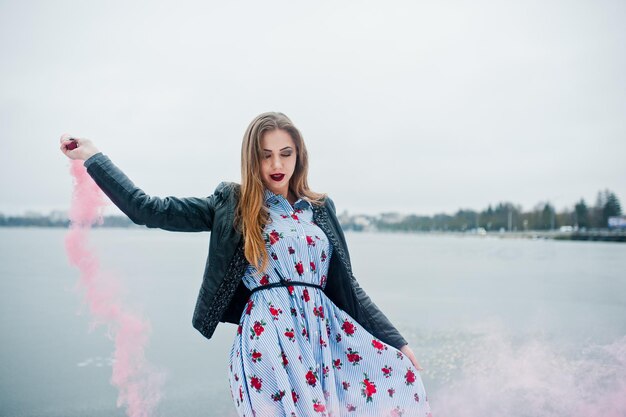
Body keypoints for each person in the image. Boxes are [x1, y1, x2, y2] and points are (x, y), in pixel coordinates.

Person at [59, 112, 432, 417]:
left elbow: (349, 287)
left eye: (286, 153)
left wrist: (395, 340)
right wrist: (94, 157)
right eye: (265, 154)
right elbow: (149, 209)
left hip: (322, 336)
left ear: (299, 156)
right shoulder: (233, 204)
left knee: (394, 387)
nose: (276, 164)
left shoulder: (319, 210)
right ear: (251, 158)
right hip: (268, 338)